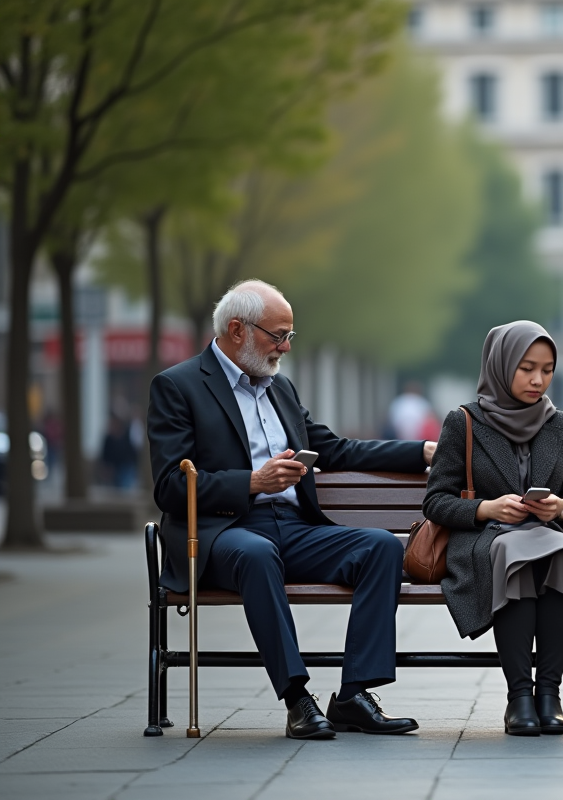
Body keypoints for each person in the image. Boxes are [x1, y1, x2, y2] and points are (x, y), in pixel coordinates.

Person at [147, 280, 436, 740]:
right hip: (223, 534)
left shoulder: (280, 388)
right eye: (277, 335)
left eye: (289, 337)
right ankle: (298, 699)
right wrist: (253, 482)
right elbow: (169, 486)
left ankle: (354, 696)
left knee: (380, 547)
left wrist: (421, 451)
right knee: (257, 554)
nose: (284, 347)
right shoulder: (178, 386)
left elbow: (335, 450)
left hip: (294, 528)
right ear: (237, 330)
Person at [422, 321, 563, 736]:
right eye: (526, 367)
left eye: (546, 370)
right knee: (517, 557)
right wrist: (487, 509)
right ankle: (520, 696)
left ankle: (549, 694)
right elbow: (435, 502)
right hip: (485, 542)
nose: (537, 379)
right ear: (500, 364)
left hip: (546, 538)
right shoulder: (464, 422)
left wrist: (560, 509)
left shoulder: (560, 425)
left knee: (561, 552)